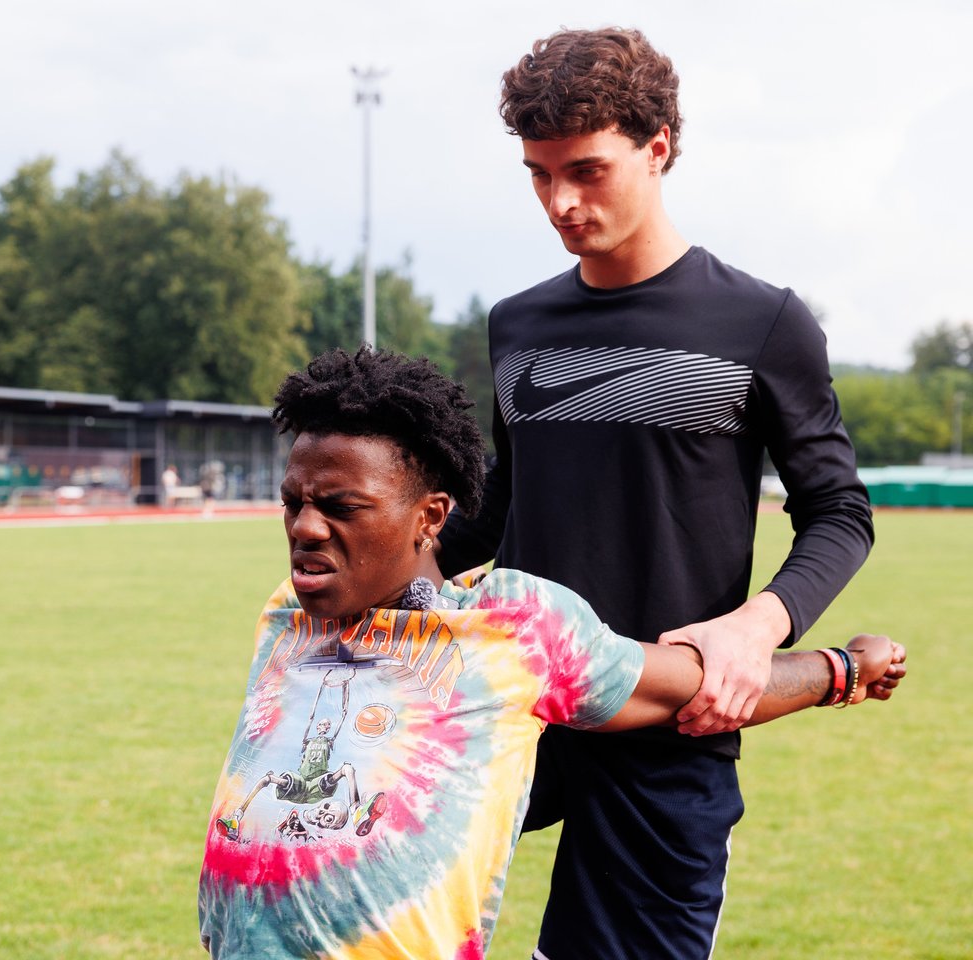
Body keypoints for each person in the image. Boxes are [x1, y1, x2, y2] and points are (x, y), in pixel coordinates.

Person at [198, 349, 902, 960]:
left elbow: (694, 686)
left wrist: (840, 670)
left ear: (431, 516)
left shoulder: (513, 629)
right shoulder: (286, 614)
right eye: (293, 503)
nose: (305, 528)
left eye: (342, 507)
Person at [435, 28, 877, 959]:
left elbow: (839, 512)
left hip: (671, 723)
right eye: (538, 174)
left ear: (658, 147)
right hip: (509, 712)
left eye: (586, 171)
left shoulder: (762, 322)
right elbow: (504, 502)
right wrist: (379, 572)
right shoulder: (517, 324)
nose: (560, 202)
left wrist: (756, 628)